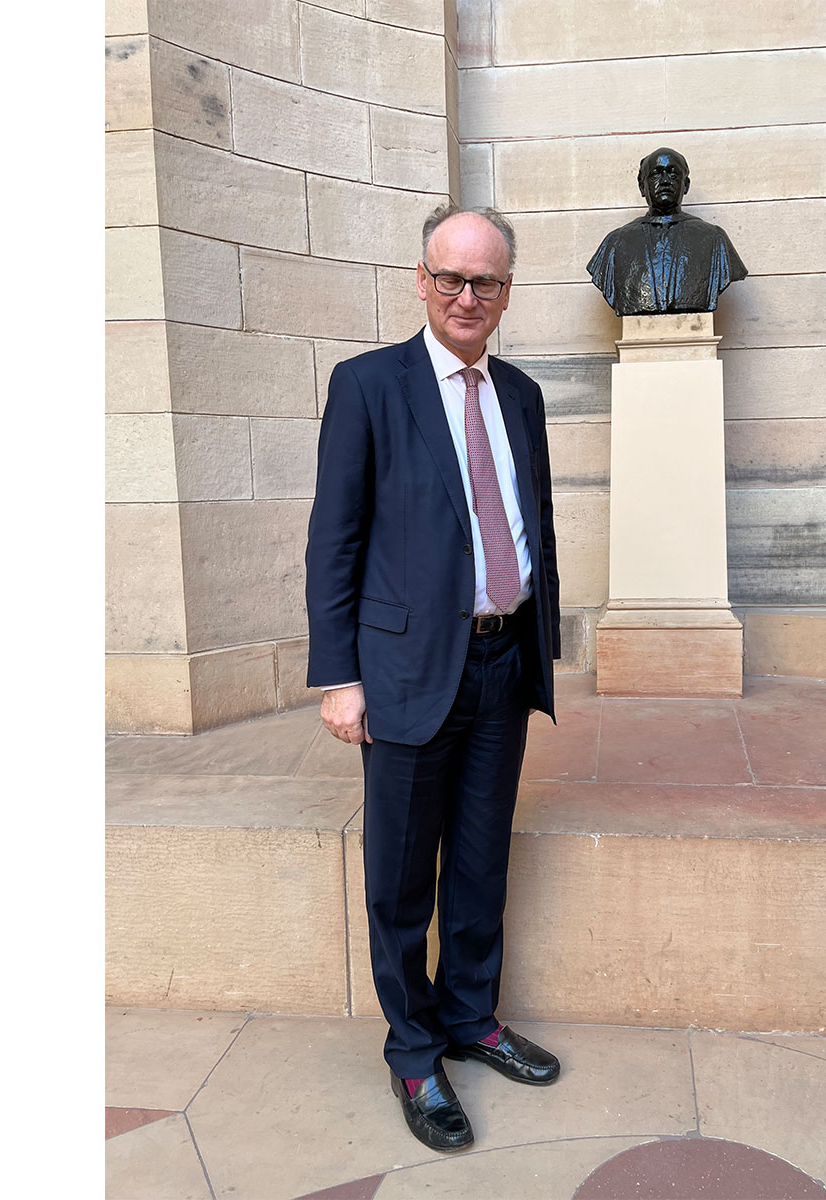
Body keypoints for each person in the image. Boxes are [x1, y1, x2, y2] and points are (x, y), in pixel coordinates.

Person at [304, 204, 563, 1154]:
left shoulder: (523, 395)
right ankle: (413, 1049)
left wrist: (538, 638)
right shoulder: (369, 386)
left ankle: (469, 1017)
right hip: (407, 670)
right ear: (421, 280)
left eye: (485, 281)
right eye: (450, 278)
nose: (467, 296)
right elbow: (335, 540)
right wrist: (341, 677)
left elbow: (527, 522)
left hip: (503, 659)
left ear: (506, 291)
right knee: (403, 876)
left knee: (484, 860)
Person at [586, 147, 748, 315]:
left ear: (685, 185)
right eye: (656, 174)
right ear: (642, 186)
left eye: (673, 174)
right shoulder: (616, 243)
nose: (664, 181)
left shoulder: (713, 238)